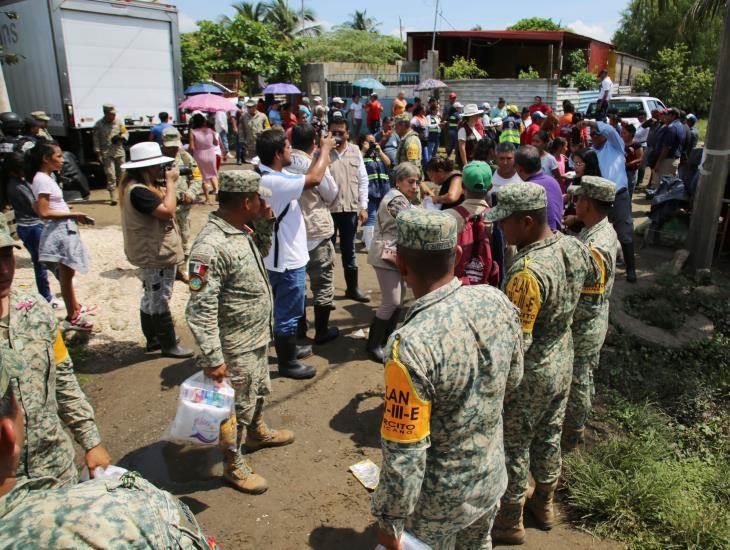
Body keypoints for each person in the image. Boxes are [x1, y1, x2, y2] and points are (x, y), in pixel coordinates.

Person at [372, 208, 523, 549]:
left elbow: (405, 453)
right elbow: (513, 381)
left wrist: (390, 522)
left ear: (401, 265)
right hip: (490, 478)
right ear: (456, 255)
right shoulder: (495, 300)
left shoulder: (409, 343)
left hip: (436, 506)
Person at [486, 182, 598, 545]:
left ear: (528, 222)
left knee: (514, 445)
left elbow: (517, 342)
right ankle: (545, 505)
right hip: (563, 359)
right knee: (549, 434)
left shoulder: (526, 273)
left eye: (506, 223)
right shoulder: (574, 247)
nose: (500, 229)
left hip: (532, 372)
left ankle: (510, 520)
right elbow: (593, 285)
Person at [0, 359, 212, 547]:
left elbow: (63, 375)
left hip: (58, 472)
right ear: (7, 435)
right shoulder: (131, 510)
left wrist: (92, 442)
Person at [186, 170, 296, 494]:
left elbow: (261, 252)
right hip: (233, 346)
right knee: (233, 408)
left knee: (258, 390)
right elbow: (200, 308)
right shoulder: (209, 247)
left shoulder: (239, 230)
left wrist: (265, 222)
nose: (264, 202)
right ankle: (233, 465)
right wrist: (213, 358)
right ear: (246, 201)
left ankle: (257, 433)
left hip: (255, 336)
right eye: (260, 199)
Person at [0, 217, 111, 487]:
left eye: (6, 256)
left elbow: (63, 377)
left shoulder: (35, 309)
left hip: (55, 468)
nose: (3, 270)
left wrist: (90, 440)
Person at [257, 128, 336, 379]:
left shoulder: (265, 174)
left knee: (285, 309)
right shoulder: (275, 181)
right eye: (288, 148)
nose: (292, 151)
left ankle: (289, 353)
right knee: (288, 313)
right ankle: (287, 363)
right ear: (279, 153)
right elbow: (313, 179)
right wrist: (323, 149)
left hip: (278, 256)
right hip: (287, 259)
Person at [119, 142, 193, 358]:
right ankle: (168, 344)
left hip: (149, 252)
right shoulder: (139, 191)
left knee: (151, 295)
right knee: (160, 296)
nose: (163, 171)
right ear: (147, 168)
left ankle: (154, 339)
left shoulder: (135, 187)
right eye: (159, 167)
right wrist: (171, 184)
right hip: (154, 253)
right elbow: (167, 211)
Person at [562, 176, 618, 449]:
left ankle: (573, 434)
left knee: (578, 382)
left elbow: (589, 302)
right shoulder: (598, 230)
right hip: (592, 323)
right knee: (584, 376)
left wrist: (561, 318)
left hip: (585, 328)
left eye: (579, 199)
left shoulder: (596, 248)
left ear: (588, 204)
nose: (575, 203)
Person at [29, 142, 95, 331]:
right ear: (45, 158)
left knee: (68, 272)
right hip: (59, 230)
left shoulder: (46, 178)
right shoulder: (41, 179)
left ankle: (75, 308)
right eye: (58, 156)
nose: (62, 160)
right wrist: (73, 215)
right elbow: (43, 212)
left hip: (63, 227)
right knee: (66, 275)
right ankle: (72, 316)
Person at [288, 123, 341, 345]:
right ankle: (321, 331)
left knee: (296, 285)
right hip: (316, 232)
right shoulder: (317, 164)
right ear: (314, 143)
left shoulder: (282, 162)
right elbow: (331, 194)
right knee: (322, 283)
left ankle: (300, 332)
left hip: (291, 234)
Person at [365, 163, 420, 362]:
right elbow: (413, 219)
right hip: (385, 255)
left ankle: (385, 339)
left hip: (393, 254)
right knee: (392, 301)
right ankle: (373, 345)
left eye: (417, 182)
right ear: (398, 181)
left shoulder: (400, 197)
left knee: (398, 299)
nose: (415, 186)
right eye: (410, 182)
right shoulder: (396, 200)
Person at [577, 119, 636, 282]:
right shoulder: (590, 152)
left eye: (597, 133)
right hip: (599, 198)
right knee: (595, 232)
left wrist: (589, 122)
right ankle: (596, 269)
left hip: (618, 195)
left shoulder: (615, 146)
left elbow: (610, 130)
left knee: (624, 232)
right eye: (592, 134)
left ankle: (631, 269)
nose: (594, 136)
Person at [327, 118, 370, 302]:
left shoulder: (355, 152)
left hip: (350, 210)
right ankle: (326, 295)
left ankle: (352, 289)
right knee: (326, 253)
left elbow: (363, 180)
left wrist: (364, 206)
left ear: (347, 134)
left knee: (349, 250)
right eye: (333, 132)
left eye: (340, 132)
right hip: (327, 211)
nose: (337, 136)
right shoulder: (322, 152)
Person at [3, 153, 54, 303]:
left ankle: (48, 293)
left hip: (27, 227)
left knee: (41, 263)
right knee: (41, 265)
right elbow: (37, 208)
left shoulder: (14, 183)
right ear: (14, 170)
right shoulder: (18, 187)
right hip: (31, 227)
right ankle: (46, 296)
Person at [446, 161, 499, 287]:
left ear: (462, 186)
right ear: (490, 187)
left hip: (455, 289)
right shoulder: (499, 220)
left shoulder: (447, 217)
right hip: (486, 290)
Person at [160, 128, 202, 267]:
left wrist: (191, 193)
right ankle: (169, 265)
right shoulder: (156, 159)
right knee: (165, 237)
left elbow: (197, 177)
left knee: (184, 236)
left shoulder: (185, 157)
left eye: (174, 146)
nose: (172, 149)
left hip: (182, 207)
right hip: (162, 206)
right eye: (169, 146)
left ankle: (183, 266)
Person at [513, 145, 563, 232]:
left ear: (519, 169)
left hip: (542, 241)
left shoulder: (526, 190)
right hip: (557, 237)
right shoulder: (553, 181)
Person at [359, 133, 391, 251]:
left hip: (382, 190)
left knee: (380, 217)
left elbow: (388, 163)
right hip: (370, 191)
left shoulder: (378, 154)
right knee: (371, 217)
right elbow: (356, 164)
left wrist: (380, 151)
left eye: (373, 141)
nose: (372, 144)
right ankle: (369, 246)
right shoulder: (360, 155)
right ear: (363, 143)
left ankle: (365, 238)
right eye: (369, 141)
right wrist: (363, 150)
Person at [92, 104, 128, 205]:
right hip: (106, 152)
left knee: (122, 173)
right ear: (106, 113)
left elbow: (125, 132)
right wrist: (98, 152)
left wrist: (122, 138)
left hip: (119, 151)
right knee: (110, 174)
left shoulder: (119, 122)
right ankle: (113, 196)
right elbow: (96, 139)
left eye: (114, 114)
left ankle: (123, 194)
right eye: (111, 114)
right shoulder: (98, 124)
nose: (113, 116)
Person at [188, 112, 220, 204]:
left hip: (199, 155)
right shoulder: (210, 130)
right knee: (213, 174)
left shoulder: (193, 132)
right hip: (211, 154)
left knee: (203, 177)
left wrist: (189, 152)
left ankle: (207, 199)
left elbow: (192, 147)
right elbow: (216, 143)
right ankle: (216, 191)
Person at [650, 107, 684, 189]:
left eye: (667, 115)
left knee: (660, 186)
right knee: (669, 184)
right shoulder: (680, 125)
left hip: (666, 161)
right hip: (673, 159)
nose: (664, 116)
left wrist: (658, 162)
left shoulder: (671, 127)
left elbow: (666, 147)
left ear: (673, 116)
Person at [240, 99, 271, 163]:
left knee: (260, 162)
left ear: (255, 106)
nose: (249, 108)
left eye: (251, 107)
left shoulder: (262, 116)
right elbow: (241, 129)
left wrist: (262, 132)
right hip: (249, 144)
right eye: (248, 107)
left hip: (260, 142)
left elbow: (268, 128)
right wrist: (242, 140)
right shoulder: (243, 116)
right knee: (250, 163)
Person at [394, 113, 422, 177]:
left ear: (403, 125)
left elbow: (413, 165)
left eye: (396, 125)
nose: (395, 128)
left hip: (409, 179)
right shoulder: (405, 139)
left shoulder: (411, 141)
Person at [457, 104, 484, 169]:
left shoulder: (474, 128)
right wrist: (465, 165)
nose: (478, 117)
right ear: (470, 117)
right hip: (469, 162)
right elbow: (462, 148)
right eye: (476, 115)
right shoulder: (463, 129)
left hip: (476, 161)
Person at [621, 123, 643, 196]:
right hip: (620, 171)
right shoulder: (620, 143)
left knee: (628, 192)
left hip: (630, 172)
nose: (622, 135)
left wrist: (629, 164)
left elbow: (640, 158)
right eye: (622, 133)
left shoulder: (636, 144)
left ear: (631, 134)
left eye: (624, 133)